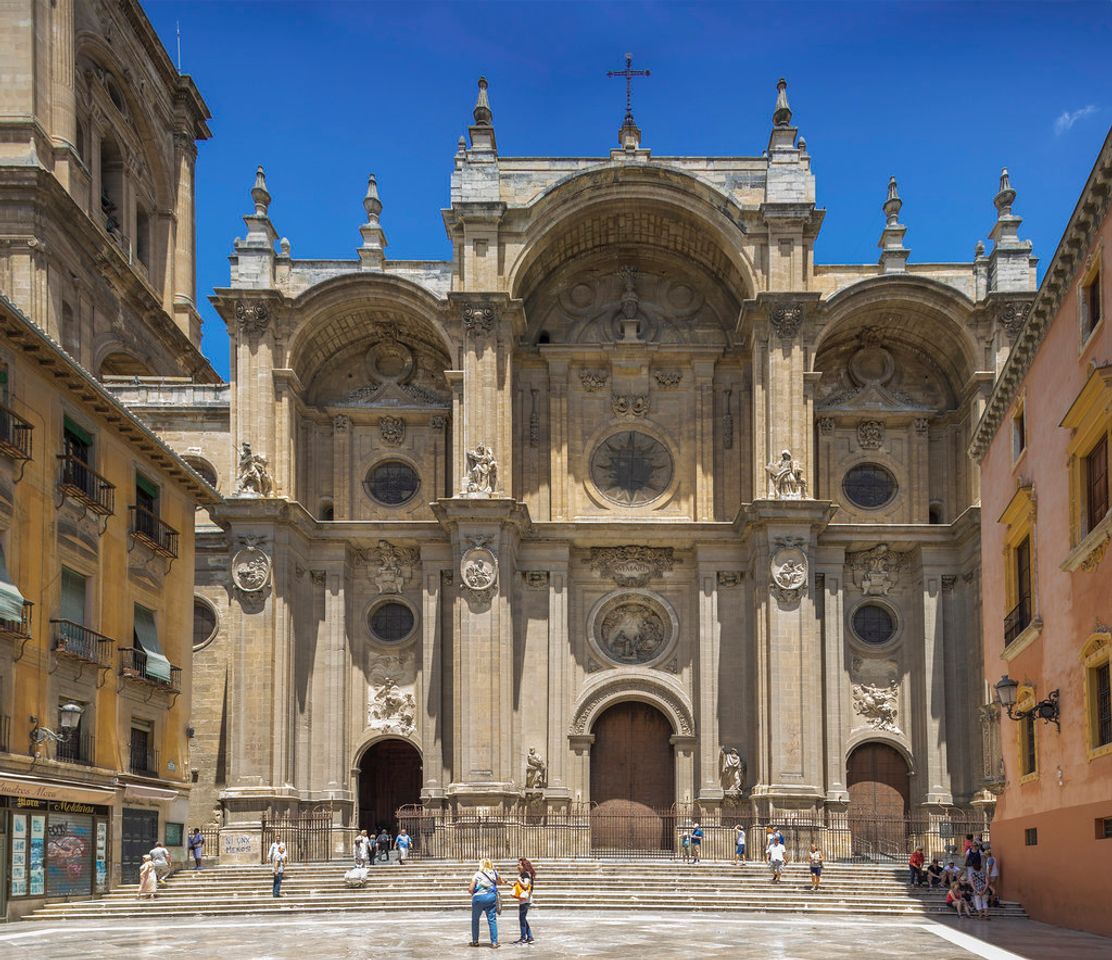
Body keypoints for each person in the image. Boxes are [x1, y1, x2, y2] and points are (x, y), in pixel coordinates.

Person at [468, 858, 501, 948]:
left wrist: (475, 893)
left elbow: (470, 889)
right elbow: (499, 882)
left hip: (478, 898)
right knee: (492, 920)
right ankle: (494, 942)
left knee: (475, 920)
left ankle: (475, 941)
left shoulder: (477, 874)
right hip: (491, 897)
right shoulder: (494, 873)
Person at [512, 857, 536, 945]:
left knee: (522, 918)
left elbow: (525, 886)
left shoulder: (525, 874)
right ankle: (530, 937)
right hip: (526, 898)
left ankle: (523, 938)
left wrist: (519, 880)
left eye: (519, 864)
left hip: (525, 899)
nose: (517, 866)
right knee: (523, 918)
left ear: (523, 865)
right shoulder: (525, 874)